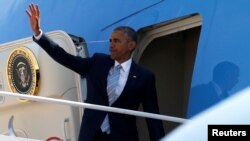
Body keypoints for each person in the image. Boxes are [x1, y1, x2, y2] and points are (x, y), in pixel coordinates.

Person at [26, 3, 164, 141]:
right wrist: (39, 34)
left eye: (116, 41)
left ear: (131, 45)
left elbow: (153, 117)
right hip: (91, 136)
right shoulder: (97, 62)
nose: (111, 45)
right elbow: (65, 58)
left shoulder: (145, 77)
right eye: (110, 41)